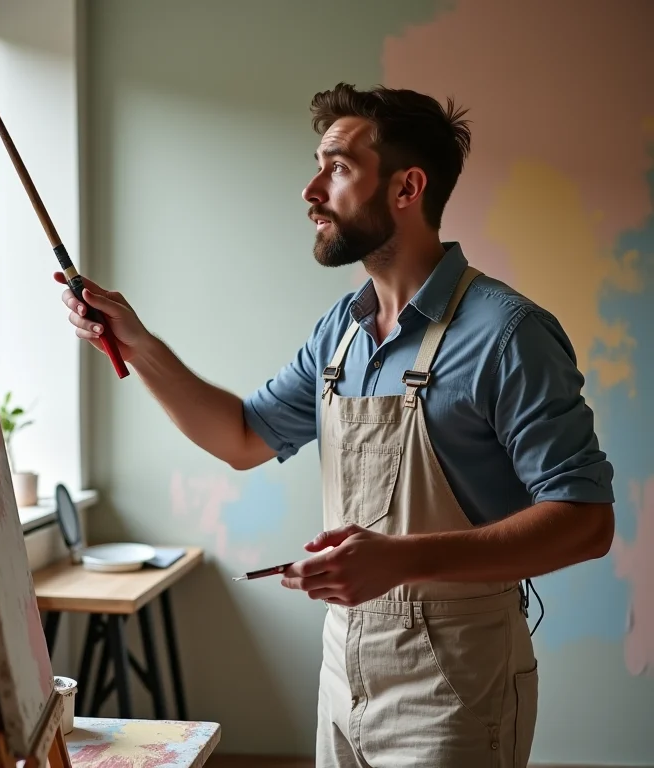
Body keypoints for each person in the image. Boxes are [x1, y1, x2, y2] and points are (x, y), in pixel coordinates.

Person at [56, 83, 615, 767]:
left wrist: (399, 559)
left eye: (339, 167)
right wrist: (137, 343)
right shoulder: (339, 335)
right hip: (342, 668)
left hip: (456, 682)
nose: (311, 189)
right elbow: (240, 436)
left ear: (408, 188)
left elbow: (587, 520)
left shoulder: (508, 334)